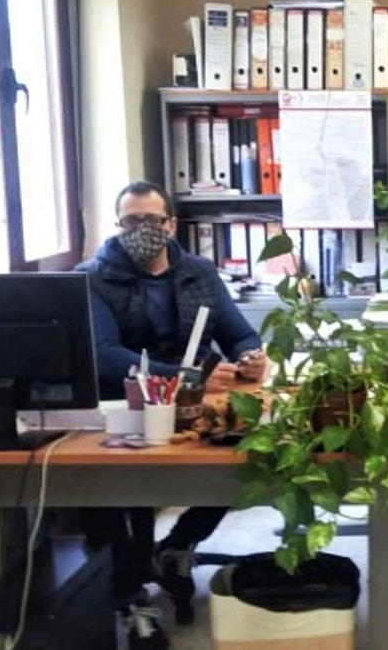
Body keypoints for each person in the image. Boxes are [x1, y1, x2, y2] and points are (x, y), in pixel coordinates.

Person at [75, 180, 267, 647]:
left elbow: (239, 334)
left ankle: (178, 544)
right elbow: (103, 353)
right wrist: (181, 376)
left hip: (194, 407)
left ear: (171, 224)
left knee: (244, 460)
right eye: (131, 221)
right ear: (118, 225)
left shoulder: (198, 272)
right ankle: (127, 591)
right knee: (99, 488)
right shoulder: (91, 277)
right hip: (122, 407)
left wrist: (251, 356)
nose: (142, 229)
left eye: (152, 220)